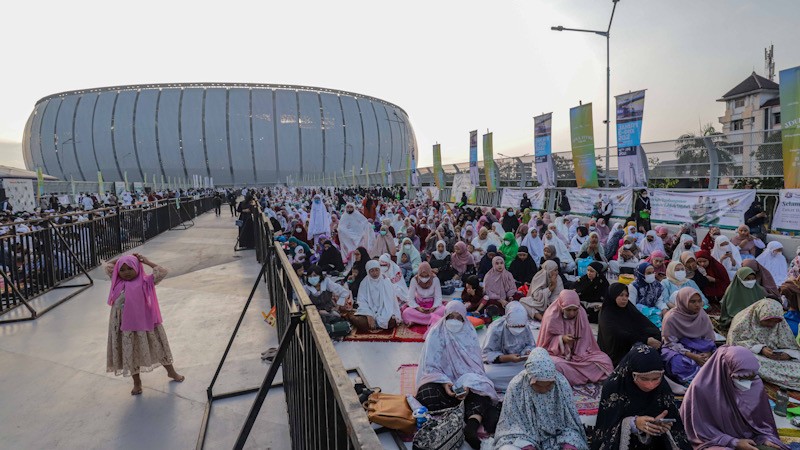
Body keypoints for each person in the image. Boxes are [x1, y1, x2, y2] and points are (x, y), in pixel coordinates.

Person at [416, 301, 500, 449]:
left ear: (464, 319)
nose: (454, 321)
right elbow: (430, 367)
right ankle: (470, 411)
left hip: (467, 382)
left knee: (485, 387)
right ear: (445, 316)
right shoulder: (435, 333)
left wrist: (467, 385)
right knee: (426, 393)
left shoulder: (469, 334)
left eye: (458, 318)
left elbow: (476, 368)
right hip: (442, 383)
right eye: (451, 317)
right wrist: (445, 383)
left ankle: (470, 427)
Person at [681, 345, 787, 450]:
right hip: (714, 441)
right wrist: (733, 442)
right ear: (725, 370)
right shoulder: (701, 389)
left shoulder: (755, 383)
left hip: (750, 439)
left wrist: (764, 438)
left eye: (751, 377)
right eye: (741, 378)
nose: (748, 384)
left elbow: (762, 424)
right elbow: (700, 432)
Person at [105, 254, 183, 395]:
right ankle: (137, 382)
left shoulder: (145, 281)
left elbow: (162, 271)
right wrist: (122, 258)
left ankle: (171, 372)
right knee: (130, 352)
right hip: (124, 327)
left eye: (130, 268)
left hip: (145, 323)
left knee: (158, 346)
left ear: (137, 267)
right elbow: (108, 266)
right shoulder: (117, 281)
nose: (126, 272)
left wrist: (146, 261)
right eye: (122, 269)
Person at [591, 344, 691, 450]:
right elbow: (606, 427)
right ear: (631, 374)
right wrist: (632, 423)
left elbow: (675, 428)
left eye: (655, 378)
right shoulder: (614, 387)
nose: (650, 385)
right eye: (644, 379)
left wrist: (661, 426)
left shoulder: (663, 387)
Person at [492, 348, 589, 450]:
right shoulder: (516, 385)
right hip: (524, 436)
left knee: (573, 442)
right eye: (538, 386)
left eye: (549, 386)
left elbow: (570, 422)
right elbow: (511, 423)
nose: (544, 390)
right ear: (530, 379)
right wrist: (525, 445)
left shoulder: (561, 384)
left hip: (558, 437)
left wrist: (567, 443)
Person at [537, 290, 613, 385]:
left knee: (605, 360)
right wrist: (561, 339)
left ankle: (573, 377)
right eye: (568, 310)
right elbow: (545, 344)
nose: (572, 313)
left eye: (575, 310)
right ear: (561, 306)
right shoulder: (551, 316)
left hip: (581, 354)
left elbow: (586, 339)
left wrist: (578, 350)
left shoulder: (581, 313)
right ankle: (585, 376)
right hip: (558, 356)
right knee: (556, 365)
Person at [727, 299, 800, 391]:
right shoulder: (742, 321)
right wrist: (761, 349)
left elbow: (790, 344)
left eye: (775, 321)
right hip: (752, 355)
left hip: (775, 358)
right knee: (747, 361)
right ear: (759, 314)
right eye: (768, 321)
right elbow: (735, 343)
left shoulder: (780, 325)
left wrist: (788, 355)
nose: (771, 324)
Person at [660, 287, 716, 385]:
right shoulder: (671, 318)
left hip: (699, 346)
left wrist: (708, 353)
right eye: (692, 302)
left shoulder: (701, 314)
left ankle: (705, 379)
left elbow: (709, 338)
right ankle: (690, 381)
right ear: (683, 302)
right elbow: (670, 343)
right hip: (677, 348)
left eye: (699, 301)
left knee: (717, 357)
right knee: (679, 362)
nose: (697, 305)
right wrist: (692, 356)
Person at [597, 283, 662, 366]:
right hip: (616, 352)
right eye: (621, 295)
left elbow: (644, 323)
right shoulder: (606, 314)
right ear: (613, 295)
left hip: (633, 343)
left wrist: (655, 335)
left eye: (626, 295)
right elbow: (617, 335)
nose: (624, 299)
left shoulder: (629, 308)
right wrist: (645, 340)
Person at [481, 302, 535, 392]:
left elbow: (531, 345)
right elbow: (486, 354)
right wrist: (507, 358)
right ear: (507, 320)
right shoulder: (496, 328)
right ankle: (521, 383)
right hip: (500, 366)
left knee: (537, 369)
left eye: (521, 326)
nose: (518, 329)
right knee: (487, 374)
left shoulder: (526, 327)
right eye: (514, 326)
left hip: (520, 364)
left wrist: (527, 352)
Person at [349, 260, 401, 333]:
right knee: (359, 321)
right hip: (368, 311)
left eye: (377, 270)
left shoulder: (386, 281)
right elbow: (362, 301)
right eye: (372, 271)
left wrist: (384, 314)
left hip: (384, 311)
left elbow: (390, 301)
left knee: (392, 321)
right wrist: (369, 315)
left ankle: (375, 324)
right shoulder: (364, 283)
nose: (375, 273)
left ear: (380, 270)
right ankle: (375, 324)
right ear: (368, 271)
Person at [718, 267, 768, 332]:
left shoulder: (758, 289)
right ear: (739, 278)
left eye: (753, 279)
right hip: (738, 317)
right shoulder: (732, 290)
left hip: (755, 315)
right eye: (747, 279)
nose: (751, 281)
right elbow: (731, 310)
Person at [629, 261, 667, 328]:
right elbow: (632, 305)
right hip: (639, 314)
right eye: (649, 273)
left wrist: (664, 308)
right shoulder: (634, 286)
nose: (652, 275)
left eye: (653, 272)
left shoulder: (657, 285)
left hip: (654, 313)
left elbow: (659, 301)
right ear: (641, 273)